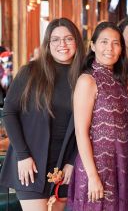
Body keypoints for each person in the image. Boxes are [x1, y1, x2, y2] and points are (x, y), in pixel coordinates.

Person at [0, 18, 85, 211]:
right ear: (48, 44)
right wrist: (23, 155)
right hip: (31, 163)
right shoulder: (30, 72)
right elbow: (10, 112)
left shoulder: (84, 77)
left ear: (77, 42)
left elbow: (88, 126)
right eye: (55, 40)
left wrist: (72, 161)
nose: (62, 44)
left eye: (68, 38)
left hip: (63, 165)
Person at [67, 22, 128, 211]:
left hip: (119, 164)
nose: (110, 48)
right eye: (104, 42)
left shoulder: (121, 81)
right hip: (96, 166)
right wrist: (93, 176)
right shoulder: (88, 80)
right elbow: (81, 131)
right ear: (93, 45)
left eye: (116, 43)